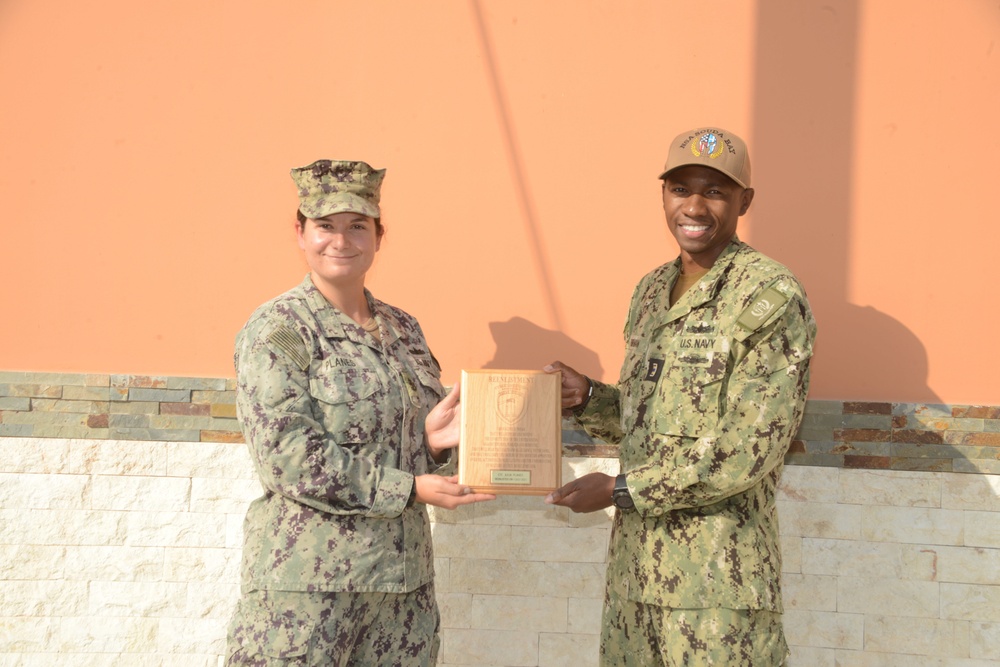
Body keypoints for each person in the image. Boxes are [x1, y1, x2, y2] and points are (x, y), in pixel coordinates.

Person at [544, 127, 816, 666]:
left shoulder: (769, 294)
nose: (693, 206)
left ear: (745, 201)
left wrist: (623, 490)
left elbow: (749, 450)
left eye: (714, 191)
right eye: (679, 188)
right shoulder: (650, 290)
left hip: (717, 590)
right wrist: (588, 398)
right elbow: (651, 419)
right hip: (636, 581)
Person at [225, 159, 494, 666]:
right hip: (307, 590)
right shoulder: (280, 330)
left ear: (377, 235)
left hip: (400, 587)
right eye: (325, 226)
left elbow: (399, 447)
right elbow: (289, 459)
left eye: (357, 226)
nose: (341, 241)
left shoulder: (403, 329)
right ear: (301, 232)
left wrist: (431, 443)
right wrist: (409, 488)